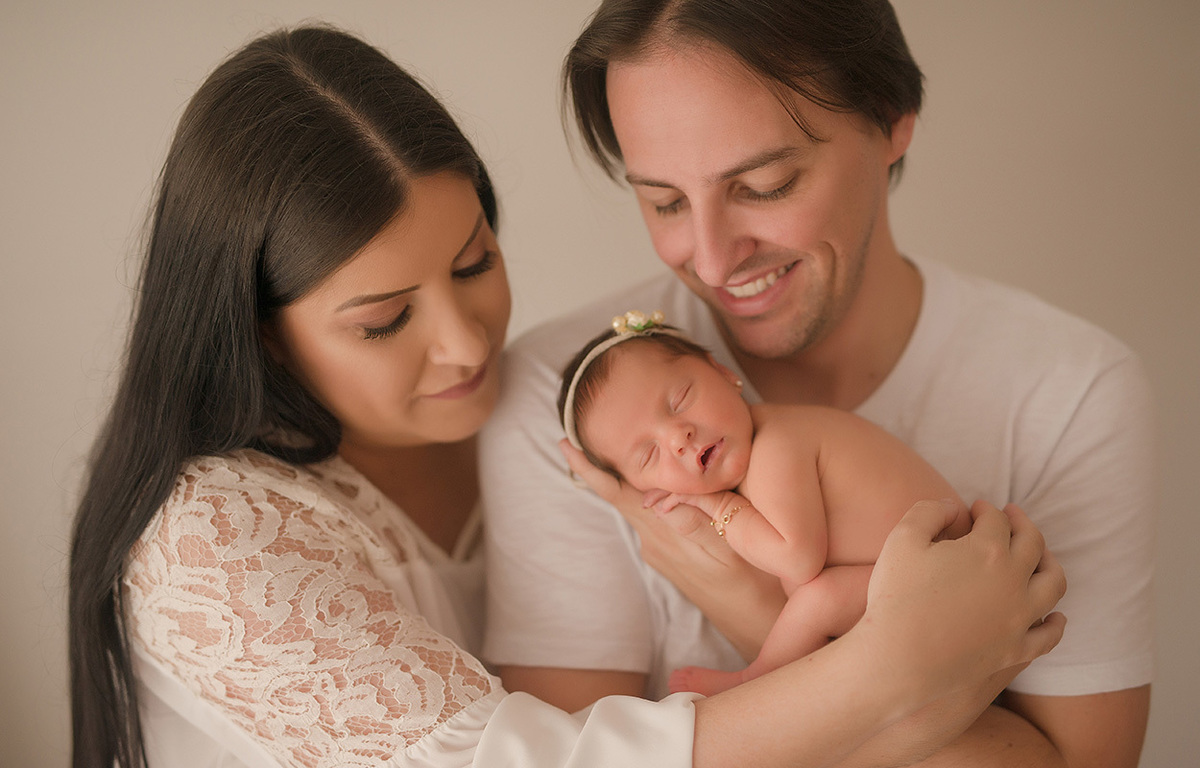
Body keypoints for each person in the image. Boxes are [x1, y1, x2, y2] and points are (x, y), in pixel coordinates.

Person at [67, 24, 1067, 768]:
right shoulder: (212, 538)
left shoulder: (555, 426)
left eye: (473, 263)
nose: (466, 344)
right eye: (383, 321)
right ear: (258, 332)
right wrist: (892, 669)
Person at [481, 1, 1156, 766]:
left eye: (764, 184)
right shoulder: (565, 408)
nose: (709, 260)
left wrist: (751, 607)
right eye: (664, 201)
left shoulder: (1070, 393)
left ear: (891, 119)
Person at [558, 310, 970, 696]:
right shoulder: (768, 447)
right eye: (648, 454)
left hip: (951, 584)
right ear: (645, 489)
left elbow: (796, 560)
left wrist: (720, 510)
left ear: (724, 374)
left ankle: (758, 677)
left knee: (817, 599)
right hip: (932, 588)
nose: (677, 436)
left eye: (680, 399)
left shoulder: (778, 444)